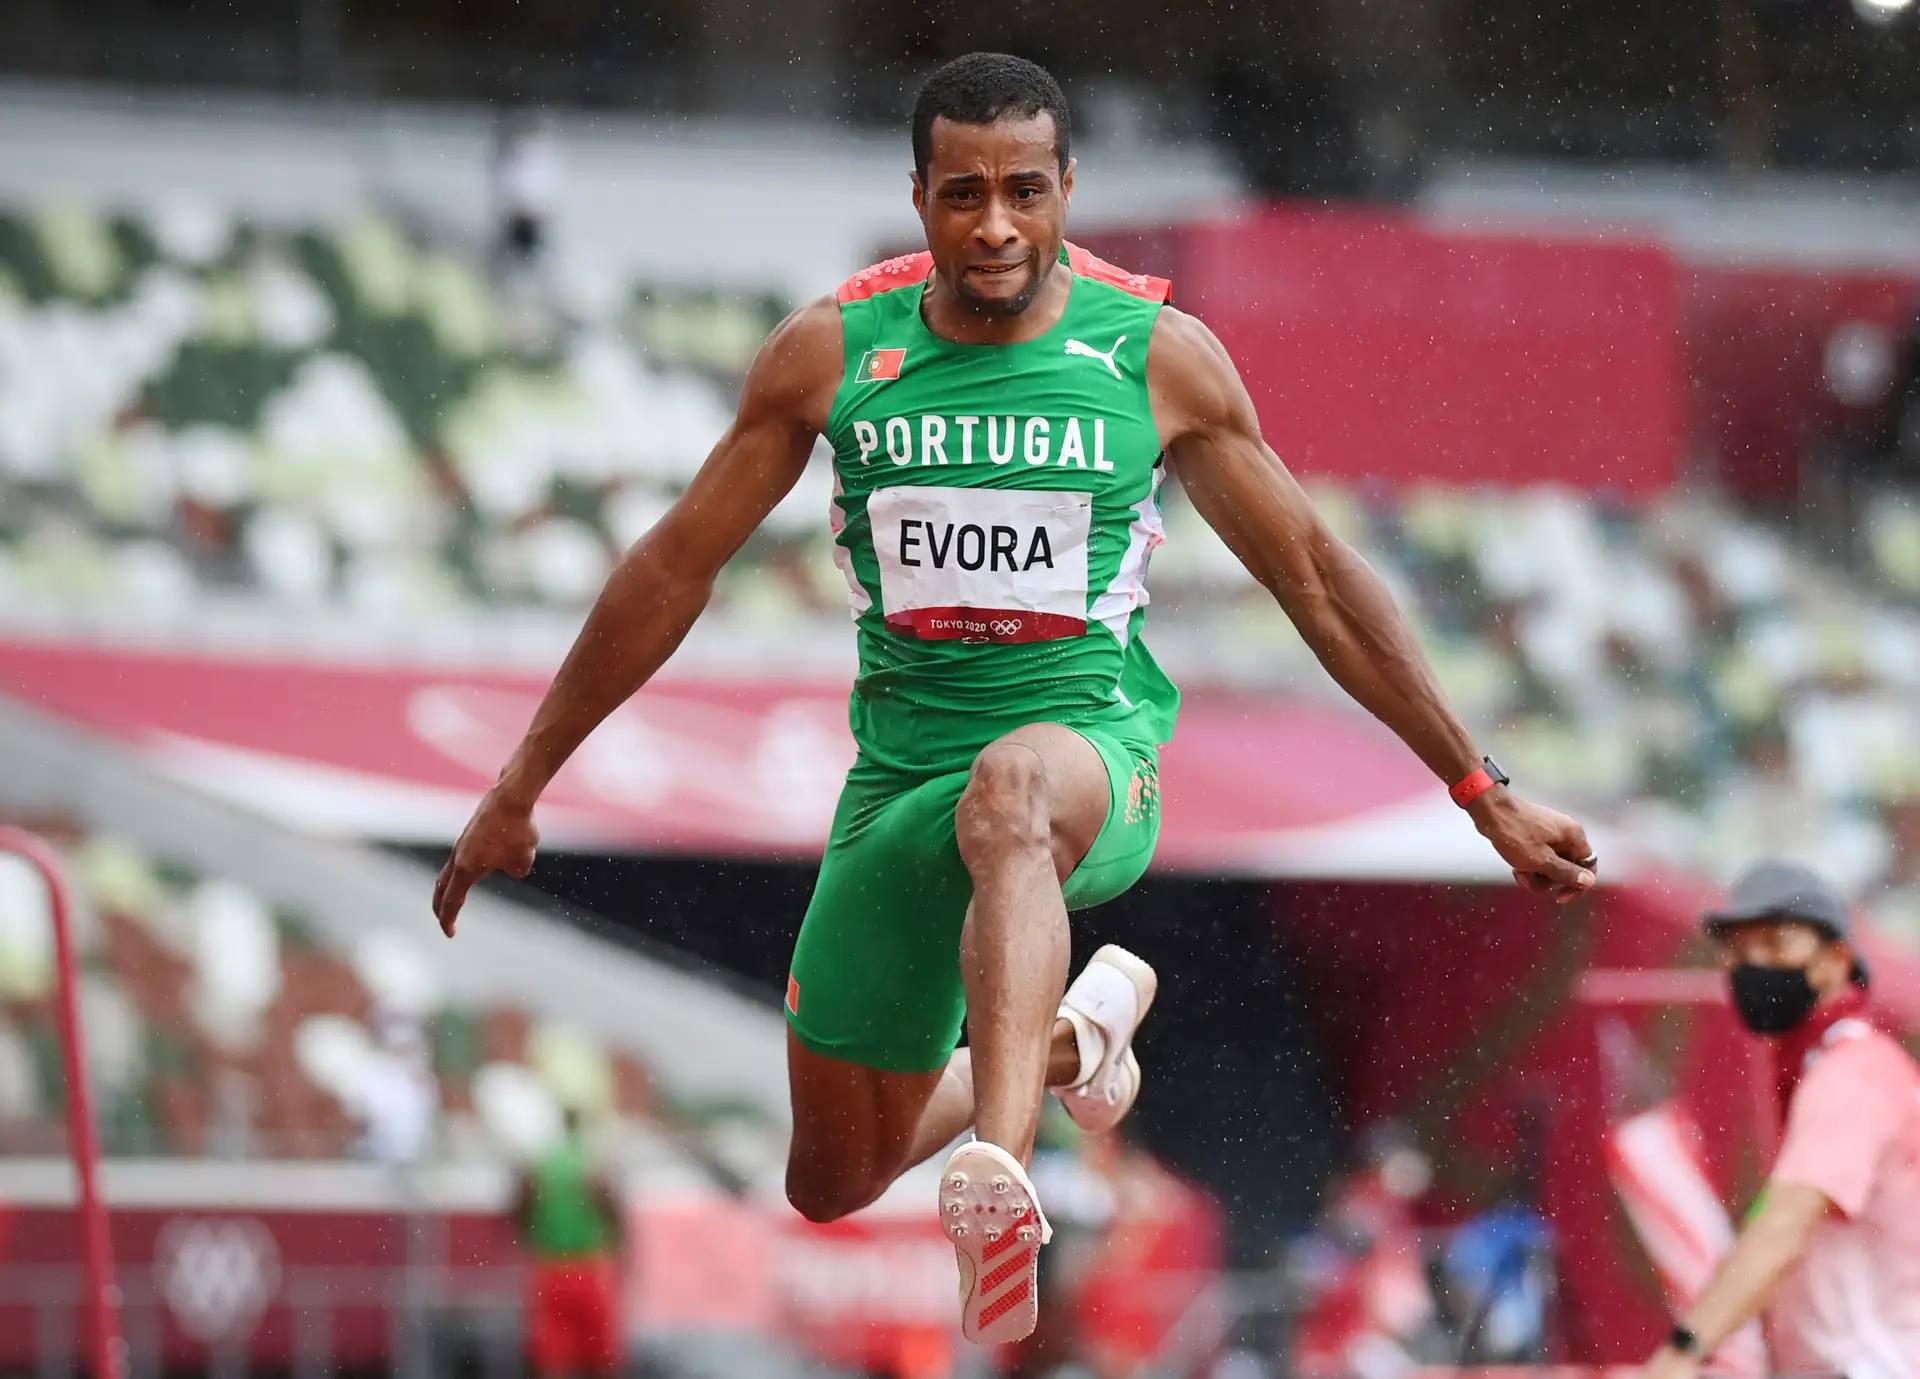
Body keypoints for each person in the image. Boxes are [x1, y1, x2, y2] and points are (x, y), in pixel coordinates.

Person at [433, 51, 1596, 1345]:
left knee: (1014, 792)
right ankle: (1065, 1042)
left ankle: (1002, 1173)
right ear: (921, 194)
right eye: (966, 195)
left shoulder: (1158, 356)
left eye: (1026, 193)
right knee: (830, 1174)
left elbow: (1318, 580)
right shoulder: (831, 355)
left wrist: (1478, 786)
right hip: (900, 781)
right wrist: (517, 783)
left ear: (1068, 189)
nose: (997, 227)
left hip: (1094, 749)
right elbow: (671, 568)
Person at [1640, 860, 1920, 1379]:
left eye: (1774, 944)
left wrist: (1683, 1352)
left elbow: (1786, 1224)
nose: (1752, 964)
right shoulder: (1820, 1067)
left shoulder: (1851, 1073)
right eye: (1739, 950)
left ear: (1836, 959)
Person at [515, 1106, 625, 1379]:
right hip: (589, 1266)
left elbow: (521, 1205)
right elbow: (610, 1206)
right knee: (600, 1358)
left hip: (549, 1266)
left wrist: (532, 1234)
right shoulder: (590, 1160)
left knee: (553, 1356)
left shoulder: (543, 1162)